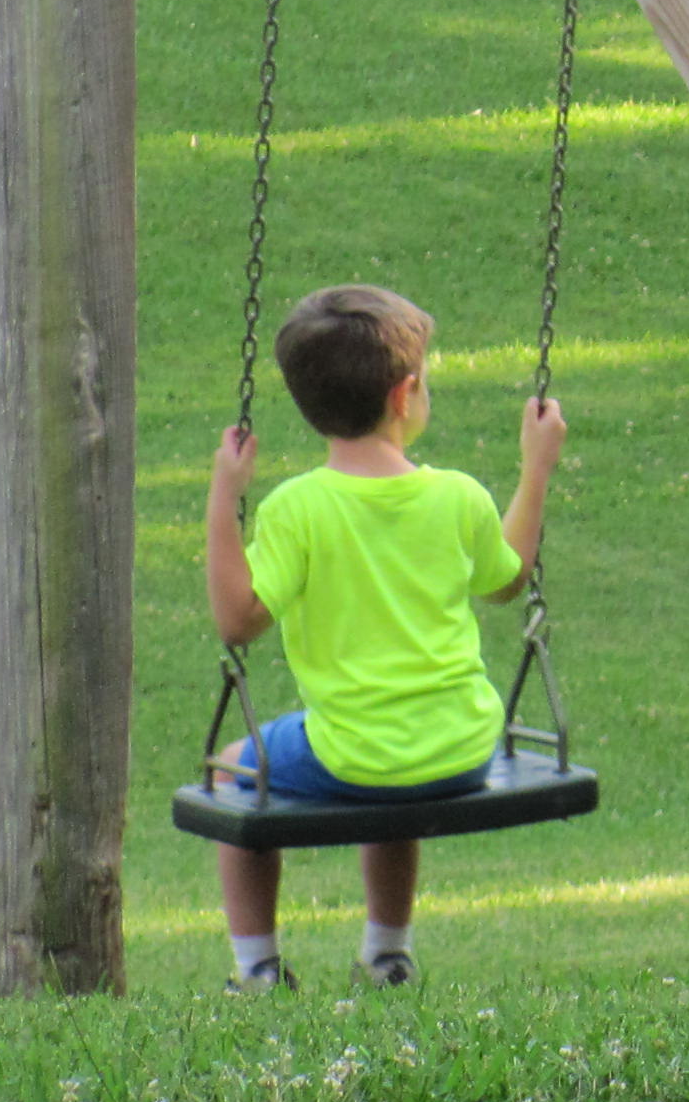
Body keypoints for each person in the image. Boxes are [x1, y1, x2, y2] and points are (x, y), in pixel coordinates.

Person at [205, 283, 566, 993]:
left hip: (356, 751)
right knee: (390, 761)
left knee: (231, 769)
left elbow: (238, 620)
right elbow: (506, 579)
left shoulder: (296, 509)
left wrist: (224, 495)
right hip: (461, 746)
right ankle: (387, 954)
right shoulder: (458, 496)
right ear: (404, 397)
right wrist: (537, 469)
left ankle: (256, 970)